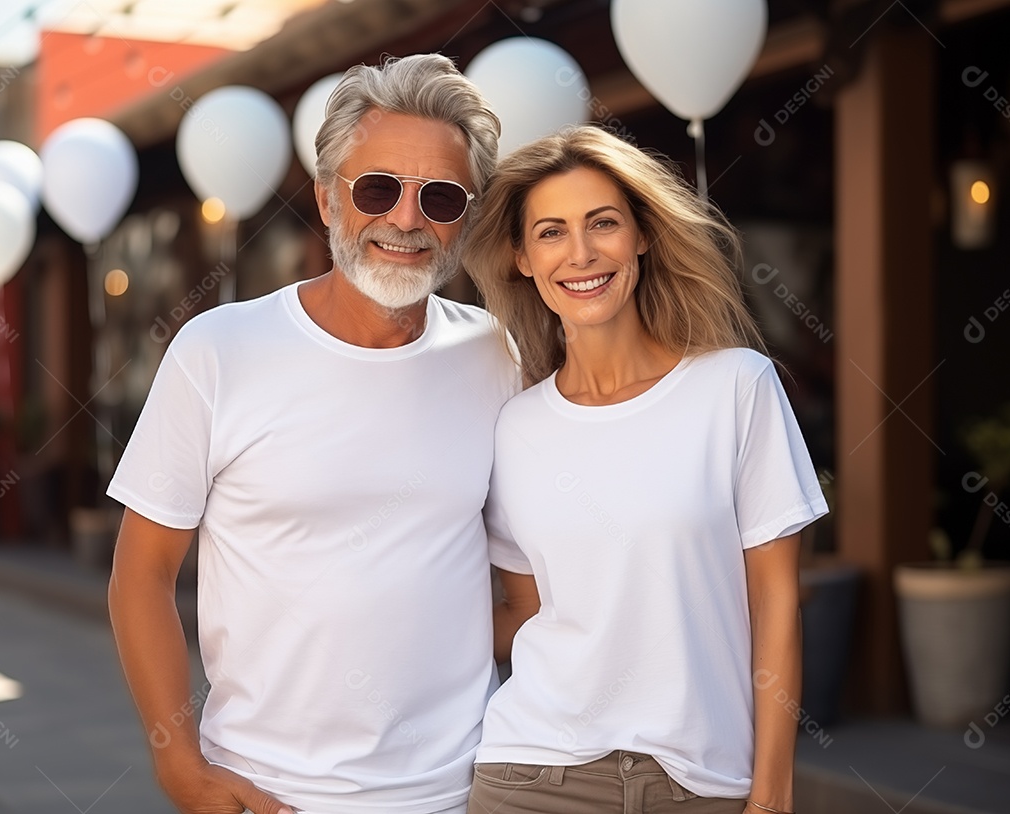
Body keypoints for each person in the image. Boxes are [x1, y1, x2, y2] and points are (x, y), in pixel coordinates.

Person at [107, 54, 517, 814]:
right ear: (329, 200)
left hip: (462, 794)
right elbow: (140, 576)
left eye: (440, 197)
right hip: (267, 793)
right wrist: (179, 767)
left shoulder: (499, 356)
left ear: (467, 217)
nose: (405, 219)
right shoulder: (217, 350)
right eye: (376, 188)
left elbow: (530, 595)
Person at [462, 125, 828, 814]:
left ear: (643, 236)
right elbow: (528, 612)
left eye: (603, 223)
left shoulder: (736, 389)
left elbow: (776, 600)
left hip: (701, 784)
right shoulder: (514, 427)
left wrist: (773, 794)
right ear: (520, 258)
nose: (581, 253)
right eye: (550, 232)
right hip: (532, 776)